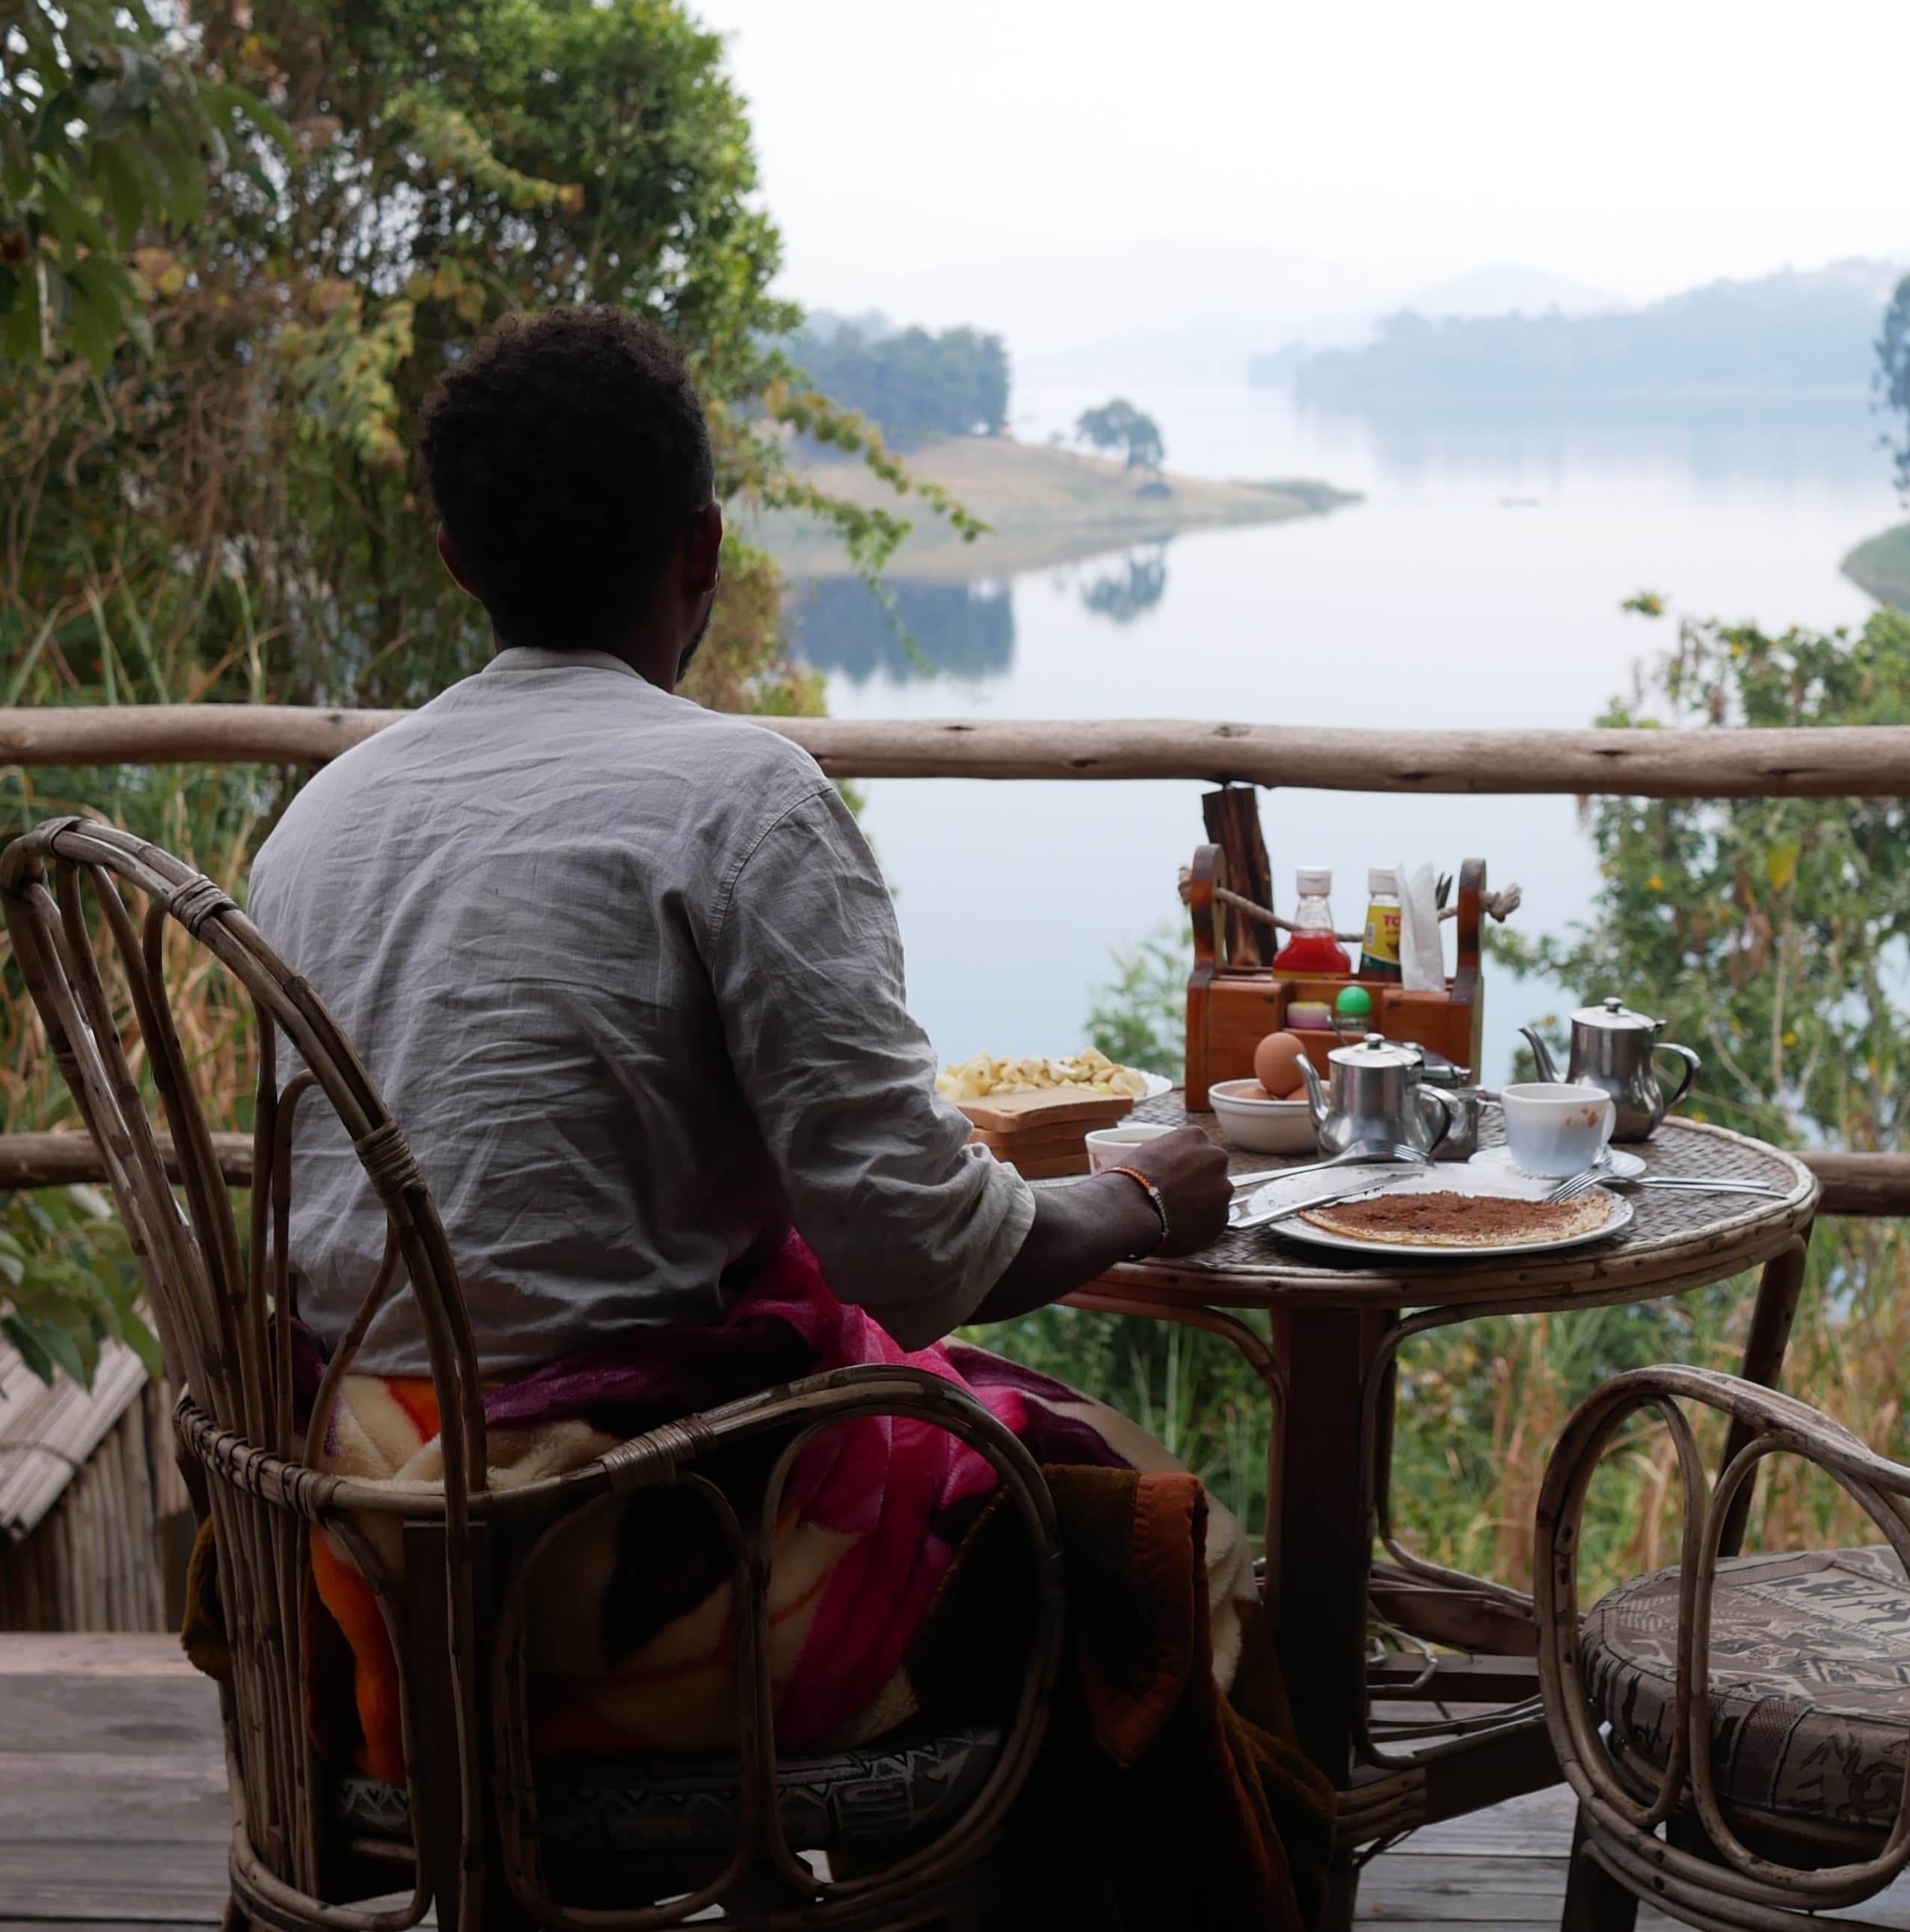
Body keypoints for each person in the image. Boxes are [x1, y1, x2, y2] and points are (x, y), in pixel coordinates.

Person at [242, 309, 1327, 1923]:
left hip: (373, 1573)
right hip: (644, 1562)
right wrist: (1156, 1190)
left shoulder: (318, 823)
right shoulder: (734, 799)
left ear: (460, 556)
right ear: (702, 542)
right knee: (1150, 1540)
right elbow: (922, 1254)